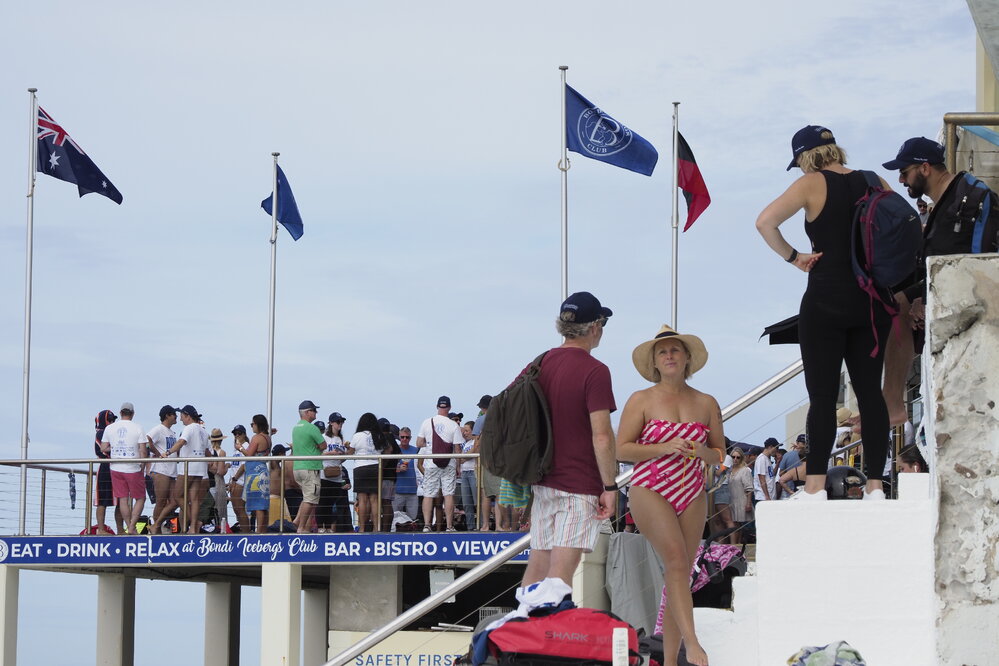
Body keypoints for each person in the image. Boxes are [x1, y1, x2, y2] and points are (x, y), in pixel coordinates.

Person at [756, 125, 893, 500]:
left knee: (821, 396)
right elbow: (898, 231)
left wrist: (795, 257)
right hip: (872, 302)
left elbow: (764, 222)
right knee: (870, 394)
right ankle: (877, 485)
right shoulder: (874, 180)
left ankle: (814, 484)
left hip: (825, 300)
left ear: (805, 157)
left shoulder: (810, 184)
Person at [617, 324, 724, 666]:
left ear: (687, 356)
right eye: (662, 352)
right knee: (677, 562)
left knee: (680, 570)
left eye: (675, 349)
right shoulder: (641, 399)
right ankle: (694, 646)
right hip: (651, 487)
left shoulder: (706, 402)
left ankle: (672, 660)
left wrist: (701, 452)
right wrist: (664, 447)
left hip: (692, 489)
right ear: (655, 362)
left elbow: (720, 453)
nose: (669, 355)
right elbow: (622, 449)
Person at [881, 137, 999, 425]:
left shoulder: (972, 198)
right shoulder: (949, 201)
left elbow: (979, 263)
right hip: (949, 310)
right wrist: (921, 295)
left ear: (924, 168)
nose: (900, 179)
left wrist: (926, 294)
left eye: (905, 172)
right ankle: (890, 399)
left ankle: (891, 403)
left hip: (972, 316)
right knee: (893, 303)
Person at [516, 292, 617, 604]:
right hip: (578, 484)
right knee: (560, 577)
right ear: (595, 327)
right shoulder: (595, 371)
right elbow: (601, 437)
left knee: (538, 567)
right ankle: (543, 642)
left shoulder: (539, 363)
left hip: (542, 483)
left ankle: (520, 634)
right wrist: (610, 486)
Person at [100, 402, 150, 535]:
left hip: (116, 467)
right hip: (133, 467)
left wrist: (115, 448)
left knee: (123, 499)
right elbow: (143, 451)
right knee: (140, 498)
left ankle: (129, 526)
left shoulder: (110, 428)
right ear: (132, 414)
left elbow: (103, 448)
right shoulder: (138, 428)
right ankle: (132, 526)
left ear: (121, 413)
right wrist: (143, 466)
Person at [416, 396, 464, 532]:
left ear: (437, 407)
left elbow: (419, 443)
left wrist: (431, 444)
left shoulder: (427, 422)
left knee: (428, 494)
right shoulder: (454, 425)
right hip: (449, 463)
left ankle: (427, 525)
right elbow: (458, 449)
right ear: (449, 407)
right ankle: (449, 526)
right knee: (448, 494)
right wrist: (458, 466)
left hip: (431, 462)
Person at [161, 405, 209, 533]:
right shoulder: (203, 430)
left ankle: (192, 521)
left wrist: (168, 452)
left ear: (187, 416)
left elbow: (181, 442)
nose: (180, 419)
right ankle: (193, 527)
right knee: (194, 499)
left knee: (177, 496)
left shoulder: (189, 428)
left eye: (182, 416)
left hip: (188, 468)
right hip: (200, 468)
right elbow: (207, 451)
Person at [290, 400, 324, 533]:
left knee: (306, 498)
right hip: (310, 467)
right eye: (314, 410)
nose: (316, 413)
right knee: (310, 499)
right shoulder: (312, 428)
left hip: (298, 467)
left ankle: (297, 522)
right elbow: (323, 445)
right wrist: (316, 447)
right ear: (308, 412)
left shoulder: (295, 427)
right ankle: (301, 527)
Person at [351, 412, 388, 532]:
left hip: (360, 467)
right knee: (374, 499)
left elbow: (350, 451)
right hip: (375, 467)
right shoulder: (378, 435)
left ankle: (362, 528)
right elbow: (387, 449)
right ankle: (376, 528)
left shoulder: (357, 436)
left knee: (362, 499)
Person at [147, 405, 179, 534]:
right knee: (160, 501)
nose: (176, 417)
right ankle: (157, 529)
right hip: (161, 470)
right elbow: (147, 439)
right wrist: (157, 453)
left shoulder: (172, 432)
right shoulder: (159, 429)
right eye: (174, 414)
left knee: (174, 501)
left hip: (171, 470)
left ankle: (157, 524)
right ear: (167, 415)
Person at [92, 409, 124, 534]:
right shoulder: (100, 433)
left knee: (121, 500)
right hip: (106, 467)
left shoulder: (113, 432)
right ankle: (100, 529)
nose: (112, 422)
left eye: (113, 420)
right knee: (102, 501)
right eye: (110, 420)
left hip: (118, 467)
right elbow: (103, 450)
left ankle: (120, 530)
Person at [318, 413, 349, 533]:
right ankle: (321, 527)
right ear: (331, 423)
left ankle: (330, 527)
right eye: (337, 422)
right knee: (323, 502)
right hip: (324, 473)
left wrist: (344, 454)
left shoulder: (341, 439)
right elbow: (317, 454)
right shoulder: (324, 437)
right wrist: (331, 453)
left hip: (336, 474)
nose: (340, 424)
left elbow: (342, 460)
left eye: (341, 422)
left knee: (332, 503)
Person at [241, 415, 271, 533]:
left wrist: (240, 448)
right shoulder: (267, 438)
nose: (252, 427)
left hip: (254, 472)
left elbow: (249, 454)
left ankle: (259, 532)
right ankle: (263, 530)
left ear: (258, 424)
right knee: (263, 504)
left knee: (258, 505)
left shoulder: (256, 438)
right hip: (263, 469)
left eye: (252, 424)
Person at [726, 447, 754, 544]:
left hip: (742, 500)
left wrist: (749, 503)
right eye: (733, 457)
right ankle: (736, 546)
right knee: (734, 525)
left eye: (738, 457)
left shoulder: (745, 470)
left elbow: (749, 488)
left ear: (741, 458)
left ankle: (736, 546)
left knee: (737, 525)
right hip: (730, 501)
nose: (735, 459)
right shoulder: (728, 470)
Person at [392, 427, 419, 521]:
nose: (404, 439)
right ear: (399, 437)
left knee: (412, 519)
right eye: (402, 437)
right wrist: (398, 468)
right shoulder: (394, 451)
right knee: (395, 518)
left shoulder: (416, 451)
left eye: (407, 437)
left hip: (413, 491)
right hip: (397, 491)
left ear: (410, 438)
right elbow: (386, 468)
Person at [227, 424, 249, 531]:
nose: (237, 435)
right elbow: (234, 466)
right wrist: (231, 481)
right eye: (235, 434)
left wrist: (235, 479)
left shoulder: (245, 446)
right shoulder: (236, 448)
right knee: (236, 510)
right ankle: (243, 530)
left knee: (240, 509)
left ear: (244, 434)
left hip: (240, 481)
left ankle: (246, 532)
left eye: (239, 433)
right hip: (235, 480)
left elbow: (244, 465)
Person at [459, 421, 478, 530]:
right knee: (467, 503)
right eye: (464, 431)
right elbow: (461, 458)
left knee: (477, 501)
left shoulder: (476, 441)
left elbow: (472, 453)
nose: (464, 433)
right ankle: (470, 527)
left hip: (473, 472)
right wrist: (465, 457)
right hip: (464, 473)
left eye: (467, 431)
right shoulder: (466, 443)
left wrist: (465, 457)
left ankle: (480, 525)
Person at [753, 438, 779, 503]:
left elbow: (771, 475)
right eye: (776, 448)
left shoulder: (767, 459)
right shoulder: (761, 459)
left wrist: (778, 463)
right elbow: (762, 478)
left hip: (770, 496)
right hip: (763, 497)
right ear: (770, 447)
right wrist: (767, 496)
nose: (777, 451)